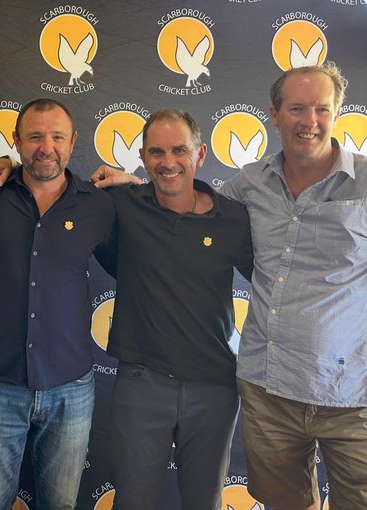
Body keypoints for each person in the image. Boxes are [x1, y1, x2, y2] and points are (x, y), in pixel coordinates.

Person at [221, 63, 367, 510]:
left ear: (337, 114)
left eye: (322, 109)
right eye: (298, 108)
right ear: (275, 113)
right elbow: (190, 210)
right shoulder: (249, 183)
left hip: (354, 396)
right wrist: (135, 188)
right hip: (269, 392)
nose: (310, 121)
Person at [94, 109, 252, 509]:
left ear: (199, 155)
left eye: (179, 150)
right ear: (143, 158)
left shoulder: (233, 218)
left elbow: (278, 285)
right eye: (156, 152)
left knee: (204, 502)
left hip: (214, 387)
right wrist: (4, 163)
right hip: (142, 382)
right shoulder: (121, 205)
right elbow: (49, 180)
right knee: (133, 502)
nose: (168, 162)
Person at [0, 98, 115, 510]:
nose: (45, 147)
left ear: (73, 143)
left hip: (70, 384)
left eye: (56, 137)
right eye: (34, 137)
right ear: (16, 142)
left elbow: (137, 260)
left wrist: (136, 185)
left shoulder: (99, 205)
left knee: (61, 504)